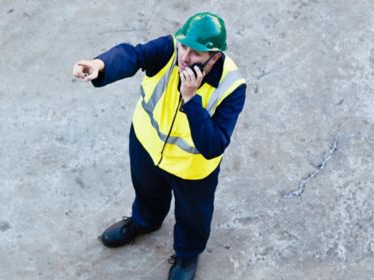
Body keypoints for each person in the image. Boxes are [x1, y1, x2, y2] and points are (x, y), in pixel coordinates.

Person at [73, 12, 246, 280]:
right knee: (147, 192)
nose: (185, 58)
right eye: (184, 47)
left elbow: (214, 145)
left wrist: (191, 101)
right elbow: (134, 55)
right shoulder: (169, 49)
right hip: (147, 143)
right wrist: (100, 65)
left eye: (197, 53)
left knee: (193, 215)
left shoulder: (231, 87)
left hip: (191, 169)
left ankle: (188, 254)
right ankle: (144, 222)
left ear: (215, 57)